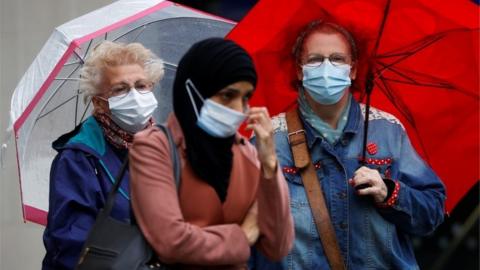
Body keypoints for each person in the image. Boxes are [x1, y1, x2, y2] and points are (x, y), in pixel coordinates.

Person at [250, 20, 446, 269]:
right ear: (299, 71)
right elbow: (245, 232)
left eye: (337, 59)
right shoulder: (268, 138)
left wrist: (389, 193)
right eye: (314, 59)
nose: (326, 67)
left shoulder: (388, 130)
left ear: (352, 70)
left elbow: (432, 212)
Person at [128, 38, 294, 269]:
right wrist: (243, 237)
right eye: (227, 95)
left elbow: (278, 246)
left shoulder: (246, 152)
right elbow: (171, 241)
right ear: (194, 91)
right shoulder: (155, 147)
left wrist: (270, 165)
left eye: (245, 98)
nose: (239, 109)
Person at [42, 41, 164, 270]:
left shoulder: (165, 148)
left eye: (141, 85)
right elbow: (73, 246)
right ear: (99, 102)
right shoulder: (79, 159)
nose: (135, 96)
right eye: (121, 89)